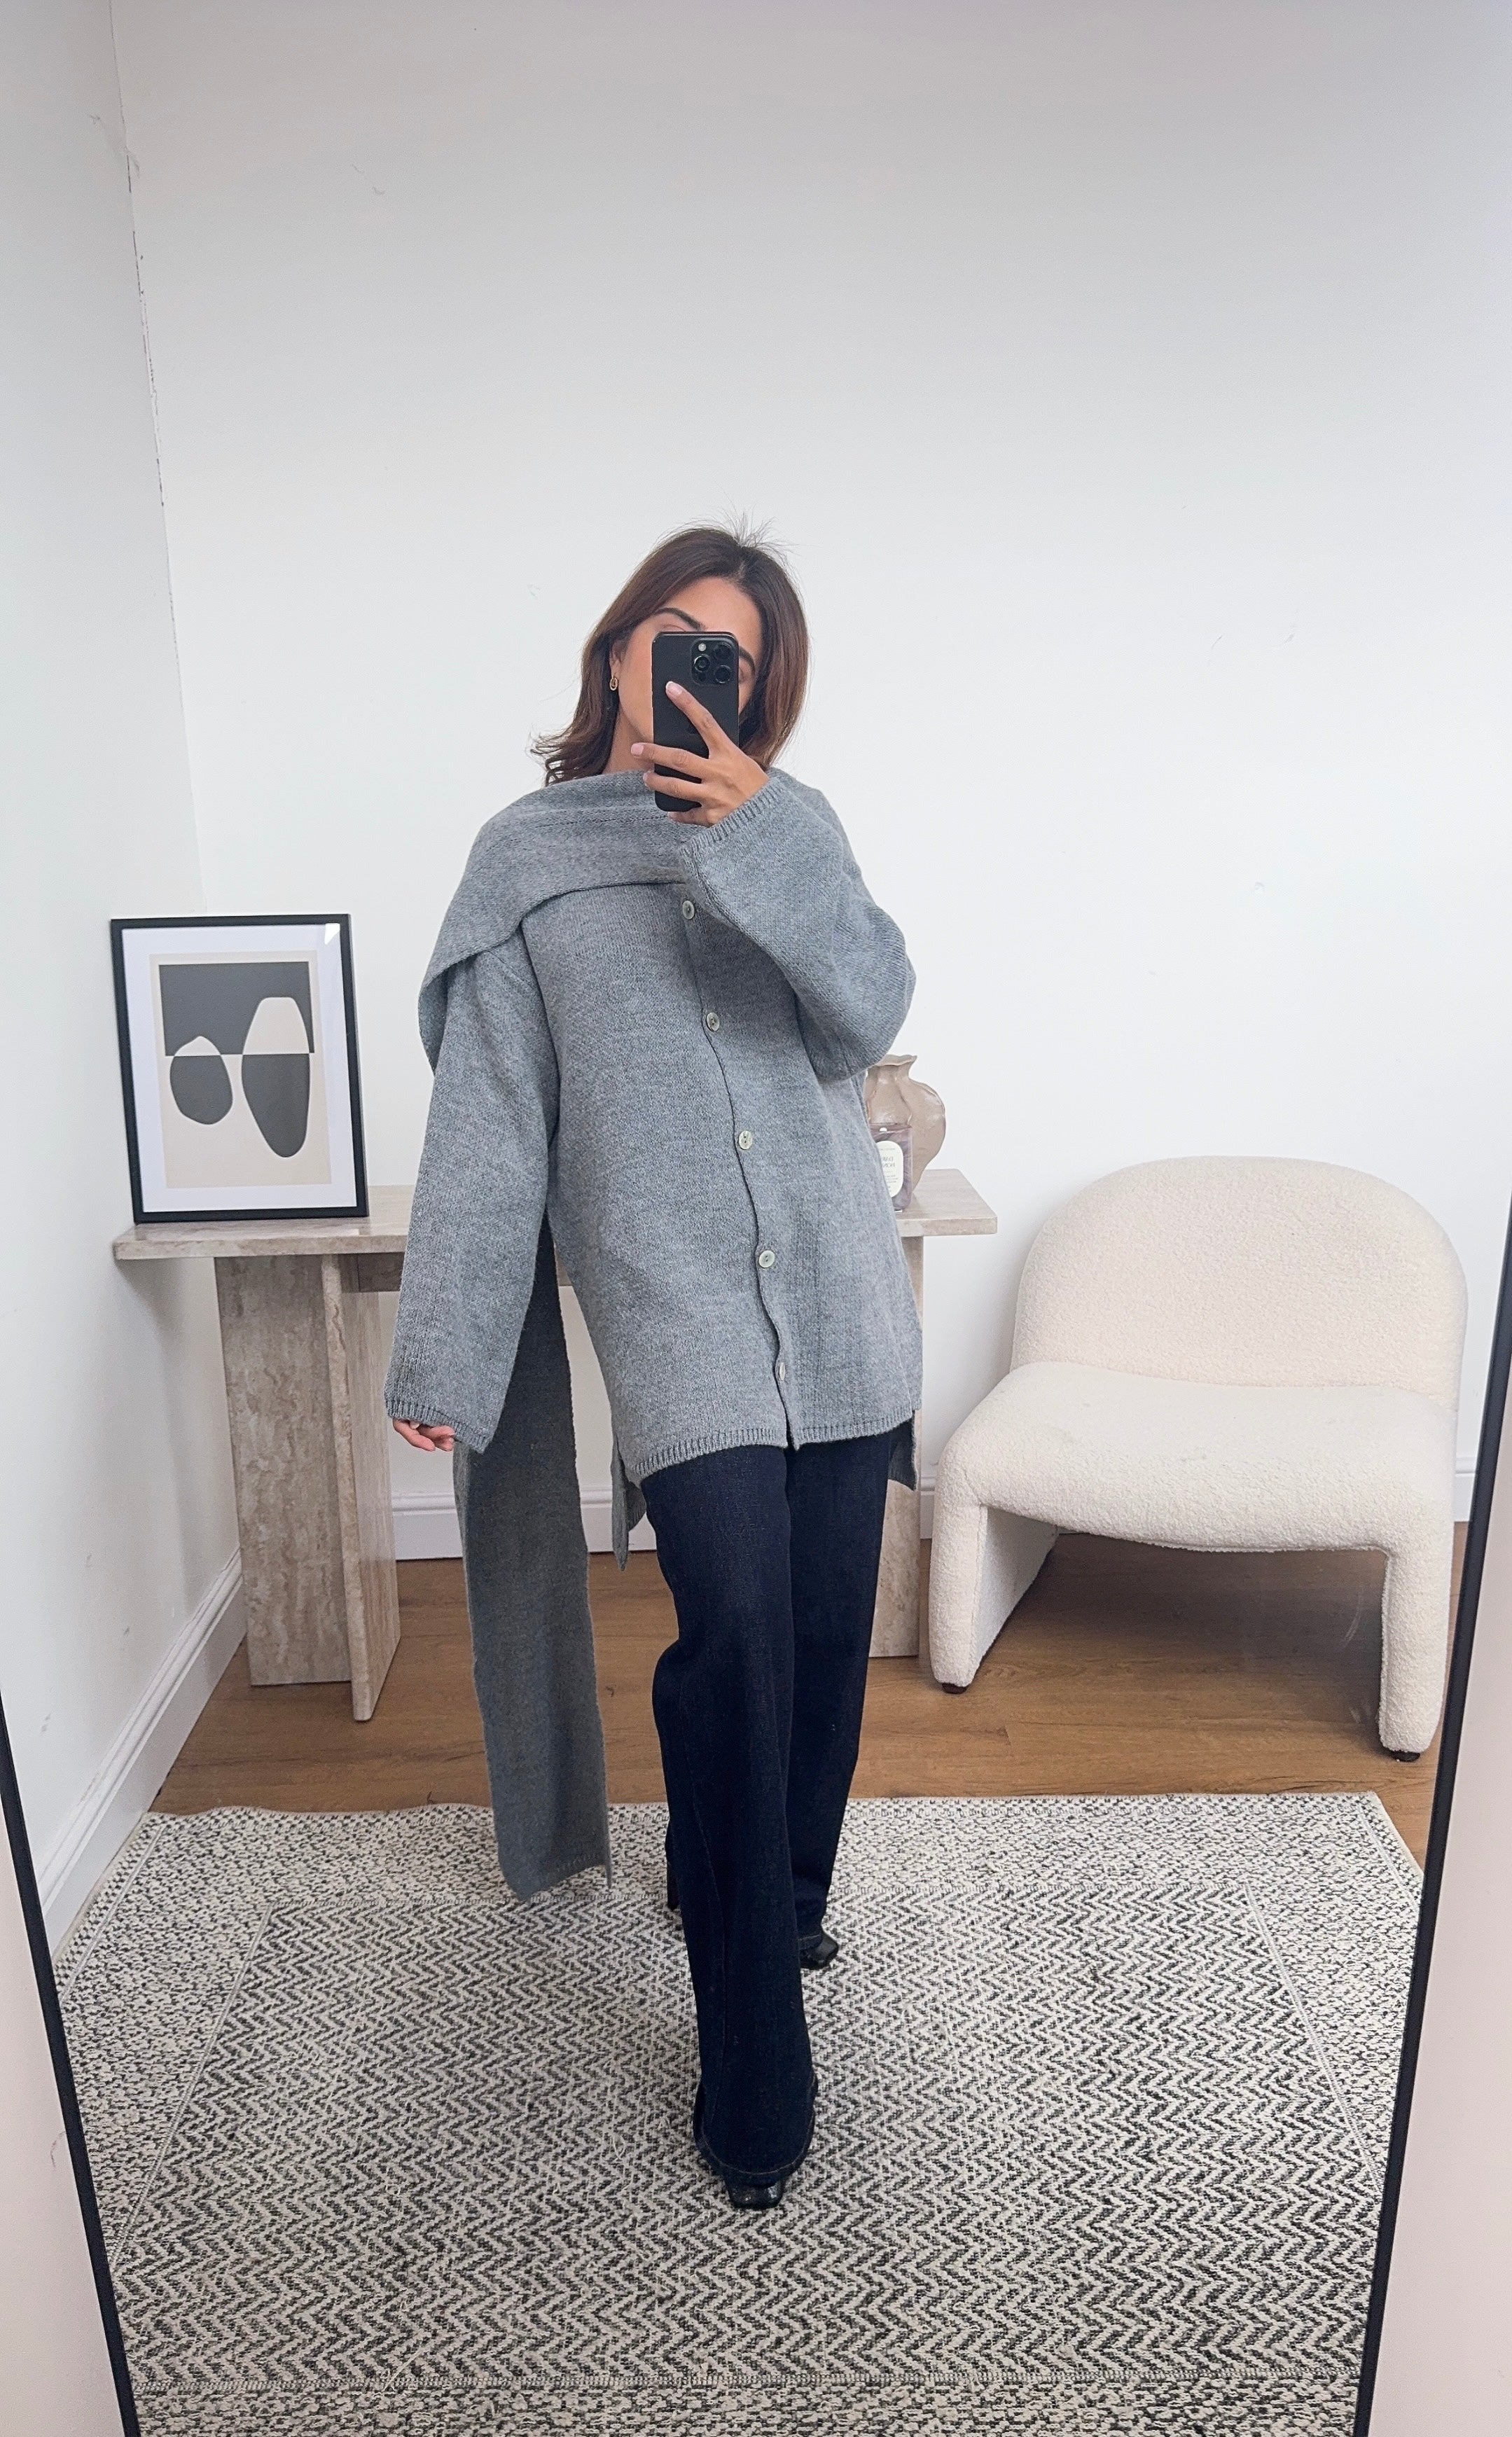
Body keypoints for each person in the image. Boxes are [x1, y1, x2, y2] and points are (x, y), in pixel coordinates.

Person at [386, 522, 922, 2207]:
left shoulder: (794, 822)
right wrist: (447, 1341)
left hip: (838, 1293)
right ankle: (754, 2059)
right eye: (675, 632)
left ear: (759, 689)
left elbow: (869, 1010)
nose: (695, 665)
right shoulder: (525, 858)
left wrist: (758, 834)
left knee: (825, 1637)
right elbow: (492, 1122)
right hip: (677, 1310)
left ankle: (774, 1890)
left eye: (732, 654)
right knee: (738, 1638)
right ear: (621, 646)